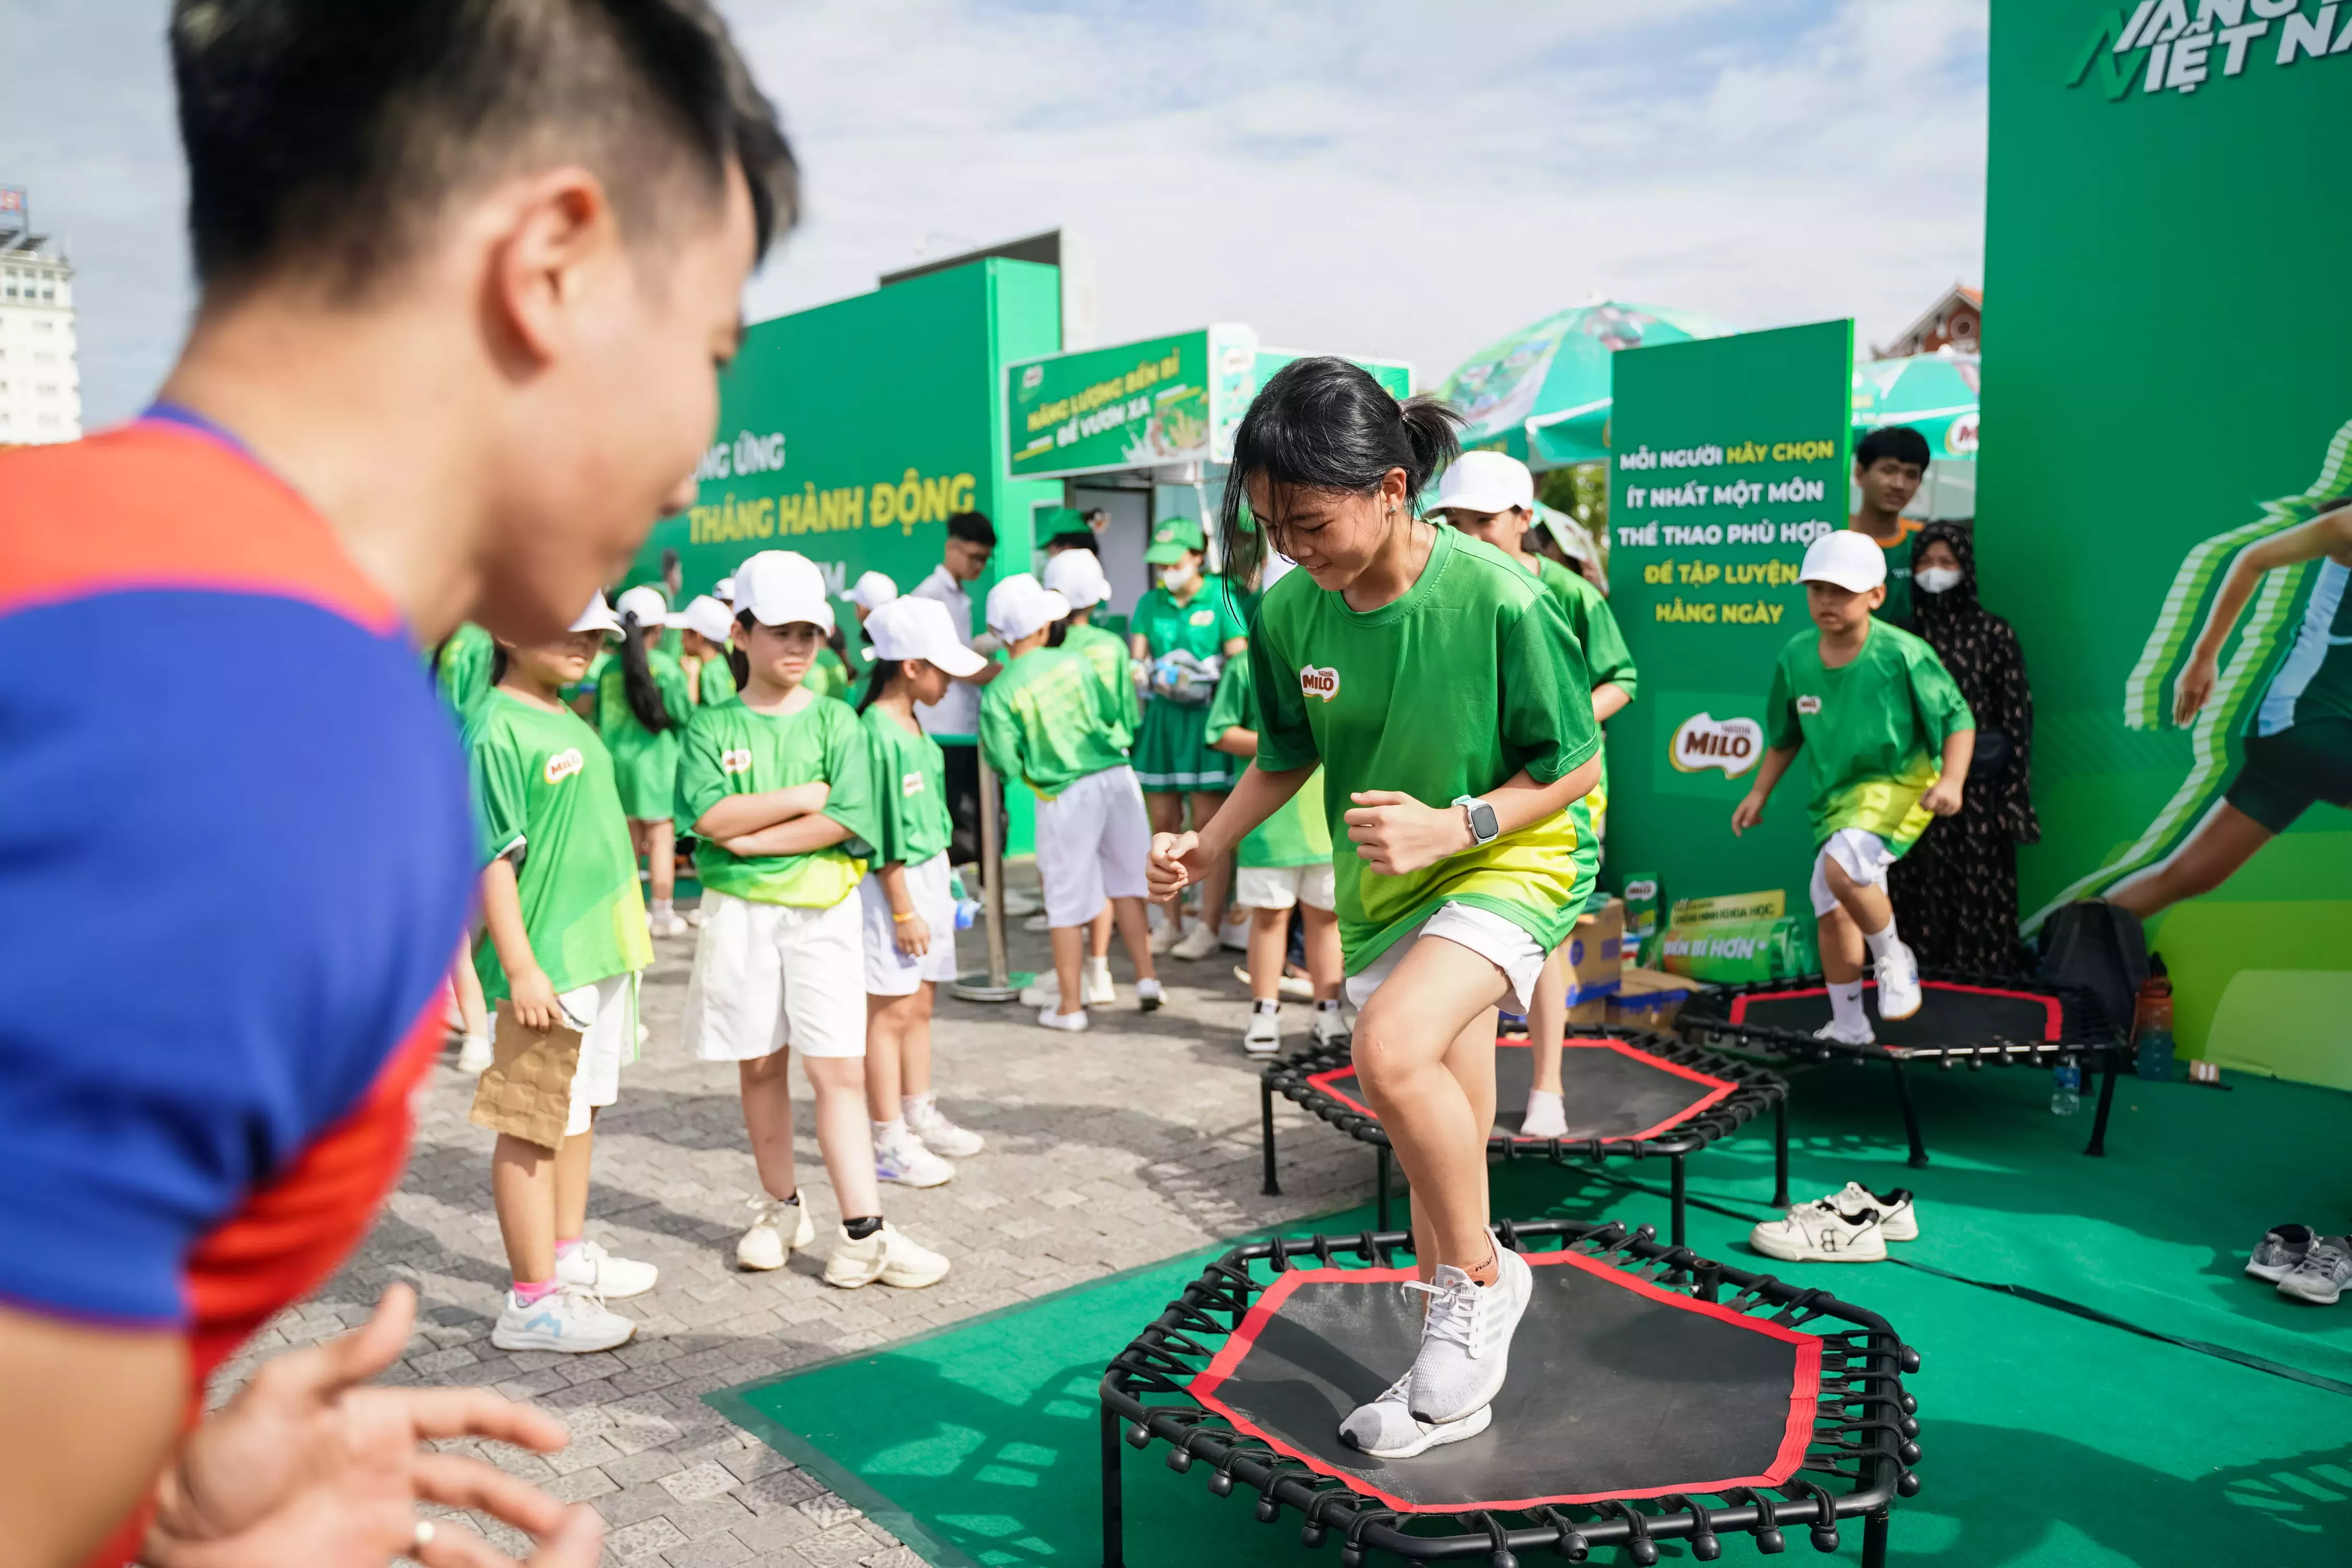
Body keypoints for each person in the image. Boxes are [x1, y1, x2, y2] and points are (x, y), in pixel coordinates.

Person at [0, 1, 791, 1562]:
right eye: (710, 351)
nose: (700, 458)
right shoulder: (281, 732)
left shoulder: (96, 579)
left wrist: (158, 1513)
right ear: (553, 258)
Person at [1149, 358, 1602, 1460]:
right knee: (1431, 1127)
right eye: (1272, 526)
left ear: (1392, 489)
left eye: (1308, 520)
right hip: (1386, 890)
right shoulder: (1288, 610)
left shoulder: (1501, 594)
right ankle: (1453, 1373)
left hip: (1515, 858)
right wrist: (1201, 844)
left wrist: (1459, 827)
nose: (1292, 546)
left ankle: (1488, 1281)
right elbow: (1289, 756)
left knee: (1388, 1053)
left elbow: (1576, 766)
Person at [677, 551, 951, 1289]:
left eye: (809, 632)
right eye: (780, 631)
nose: (797, 647)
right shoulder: (710, 725)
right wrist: (806, 795)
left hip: (824, 912)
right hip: (738, 915)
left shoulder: (837, 718)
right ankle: (779, 1208)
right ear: (740, 633)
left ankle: (863, 1233)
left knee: (838, 1070)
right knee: (760, 1064)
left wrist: (749, 838)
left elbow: (848, 818)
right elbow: (707, 812)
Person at [468, 596, 659, 1353]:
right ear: (509, 629)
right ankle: (531, 1302)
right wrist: (519, 967)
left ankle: (568, 1254)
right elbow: (490, 858)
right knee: (530, 1125)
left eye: (597, 633)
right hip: (545, 965)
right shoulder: (493, 725)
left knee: (579, 1115)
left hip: (599, 955)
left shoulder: (565, 712)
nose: (587, 644)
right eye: (569, 629)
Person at [1430, 450, 1638, 1138]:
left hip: (1562, 791)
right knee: (1472, 932)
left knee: (1541, 938)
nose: (1467, 533)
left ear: (1526, 517)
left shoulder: (1574, 594)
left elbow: (1622, 680)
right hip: (1478, 792)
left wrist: (1566, 725)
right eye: (1454, 520)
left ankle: (1548, 1084)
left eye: (1483, 520)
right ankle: (1469, 1101)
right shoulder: (1445, 595)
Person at [1732, 532, 1975, 1047]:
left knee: (1843, 869)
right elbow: (1784, 737)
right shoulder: (1797, 656)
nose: (1826, 601)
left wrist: (1952, 780)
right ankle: (1849, 1025)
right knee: (1829, 898)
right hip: (1834, 798)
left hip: (1901, 783)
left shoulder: (1903, 653)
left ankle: (1893, 958)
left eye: (1841, 590)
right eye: (1817, 589)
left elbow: (1958, 718)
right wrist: (1758, 794)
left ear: (1876, 596)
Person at [2108, 495, 2352, 921]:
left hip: (2323, 737)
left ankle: (2042, 955)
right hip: (2305, 722)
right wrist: (2204, 658)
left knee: (2187, 875)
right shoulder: (2348, 526)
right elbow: (2254, 559)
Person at [981, 574, 1165, 1030]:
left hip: (1065, 792)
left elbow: (1004, 760)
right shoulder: (1076, 662)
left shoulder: (999, 691)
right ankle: (1146, 980)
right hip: (1117, 777)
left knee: (1064, 901)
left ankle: (1070, 1007)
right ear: (1043, 625)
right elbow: (1109, 714)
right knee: (1127, 883)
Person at [856, 596, 992, 1187]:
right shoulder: (873, 733)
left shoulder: (913, 723)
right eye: (942, 670)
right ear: (910, 666)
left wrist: (948, 883)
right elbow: (876, 830)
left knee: (921, 1003)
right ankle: (886, 1138)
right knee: (888, 1013)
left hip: (929, 875)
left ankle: (918, 1113)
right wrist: (905, 906)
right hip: (896, 885)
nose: (950, 683)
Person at [1204, 555, 1348, 1056]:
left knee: (1326, 919)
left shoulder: (1345, 652)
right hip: (1269, 825)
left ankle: (1329, 1013)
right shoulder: (1248, 665)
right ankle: (1264, 1010)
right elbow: (1219, 731)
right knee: (1269, 918)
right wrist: (1286, 743)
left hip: (1329, 821)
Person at [1888, 522, 2042, 969]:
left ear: (1965, 568)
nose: (1935, 572)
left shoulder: (1994, 634)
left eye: (1947, 562)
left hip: (1977, 796)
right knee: (1914, 892)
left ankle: (1980, 999)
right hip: (1913, 792)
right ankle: (1913, 992)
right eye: (1925, 562)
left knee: (1977, 897)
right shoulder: (1901, 636)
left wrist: (2012, 799)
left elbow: (2017, 719)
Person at [1019, 547, 1139, 1009]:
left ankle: (1078, 985)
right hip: (1114, 767)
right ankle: (1103, 970)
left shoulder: (1047, 649)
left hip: (1063, 778)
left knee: (1069, 886)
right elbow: (1125, 715)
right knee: (1117, 876)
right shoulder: (1112, 645)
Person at [1131, 516, 1249, 959]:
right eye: (1160, 564)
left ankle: (1208, 926)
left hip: (1207, 723)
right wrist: (1143, 672)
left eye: (1173, 561)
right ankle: (1169, 921)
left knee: (1205, 828)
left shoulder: (1221, 598)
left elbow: (1240, 664)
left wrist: (1209, 673)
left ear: (1197, 557)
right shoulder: (1150, 603)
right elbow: (1137, 657)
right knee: (1162, 822)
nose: (1166, 571)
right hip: (1162, 723)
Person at [912, 511, 1005, 869]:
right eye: (974, 557)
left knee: (981, 810)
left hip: (964, 722)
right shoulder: (930, 595)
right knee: (948, 810)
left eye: (985, 559)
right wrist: (989, 673)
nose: (980, 566)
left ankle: (985, 886)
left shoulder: (958, 595)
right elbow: (941, 660)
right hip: (942, 726)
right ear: (952, 548)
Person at [604, 584, 694, 936]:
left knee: (628, 840)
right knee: (660, 839)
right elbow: (684, 714)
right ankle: (662, 913)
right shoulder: (668, 669)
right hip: (657, 766)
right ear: (658, 631)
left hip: (617, 766)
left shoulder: (608, 668)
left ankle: (631, 912)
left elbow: (600, 714)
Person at [1850, 426, 1930, 626]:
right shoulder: (1833, 535)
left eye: (1911, 475)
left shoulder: (1925, 541)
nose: (1899, 484)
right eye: (1888, 470)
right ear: (1860, 474)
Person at [677, 591, 739, 708]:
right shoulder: (717, 664)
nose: (681, 639)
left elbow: (716, 720)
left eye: (684, 632)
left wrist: (692, 680)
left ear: (697, 635)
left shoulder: (712, 674)